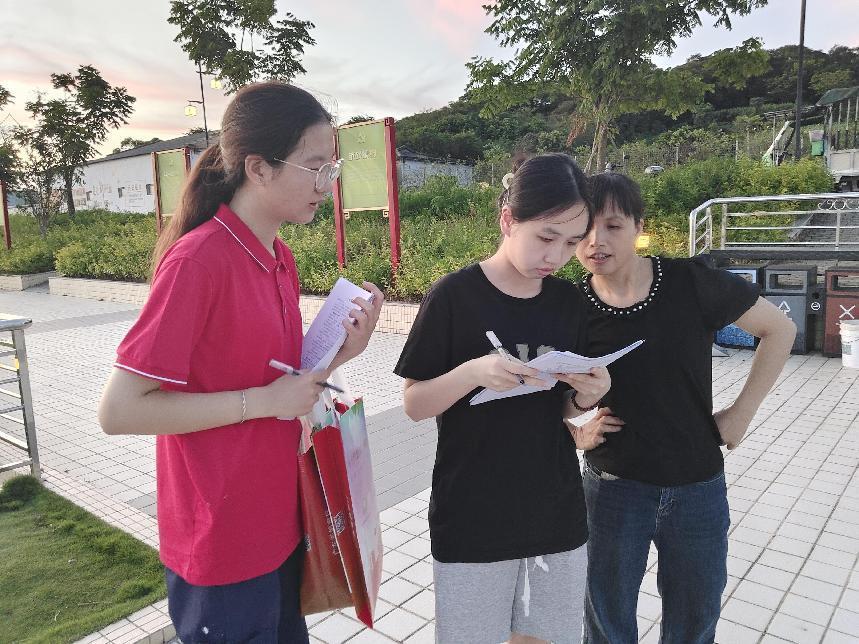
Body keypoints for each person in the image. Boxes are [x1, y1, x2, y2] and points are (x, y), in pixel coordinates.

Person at [98, 82, 384, 643]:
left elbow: (280, 383)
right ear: (258, 168)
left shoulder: (279, 256)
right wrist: (263, 402)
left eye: (332, 167)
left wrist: (340, 355)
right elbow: (119, 410)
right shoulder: (198, 261)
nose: (328, 184)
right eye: (315, 167)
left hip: (279, 522)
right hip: (220, 542)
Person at [394, 154, 611, 644]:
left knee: (549, 638)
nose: (556, 256)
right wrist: (473, 373)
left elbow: (560, 406)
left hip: (554, 509)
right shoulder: (454, 297)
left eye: (571, 242)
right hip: (473, 511)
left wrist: (586, 397)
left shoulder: (568, 303)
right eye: (546, 237)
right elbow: (414, 404)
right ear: (508, 220)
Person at [571, 172, 795, 644]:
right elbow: (540, 392)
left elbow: (779, 329)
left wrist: (741, 414)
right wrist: (575, 431)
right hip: (612, 487)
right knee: (607, 623)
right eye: (584, 227)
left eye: (612, 225)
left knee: (694, 622)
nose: (596, 241)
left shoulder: (690, 282)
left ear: (639, 227)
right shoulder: (569, 307)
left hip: (697, 486)